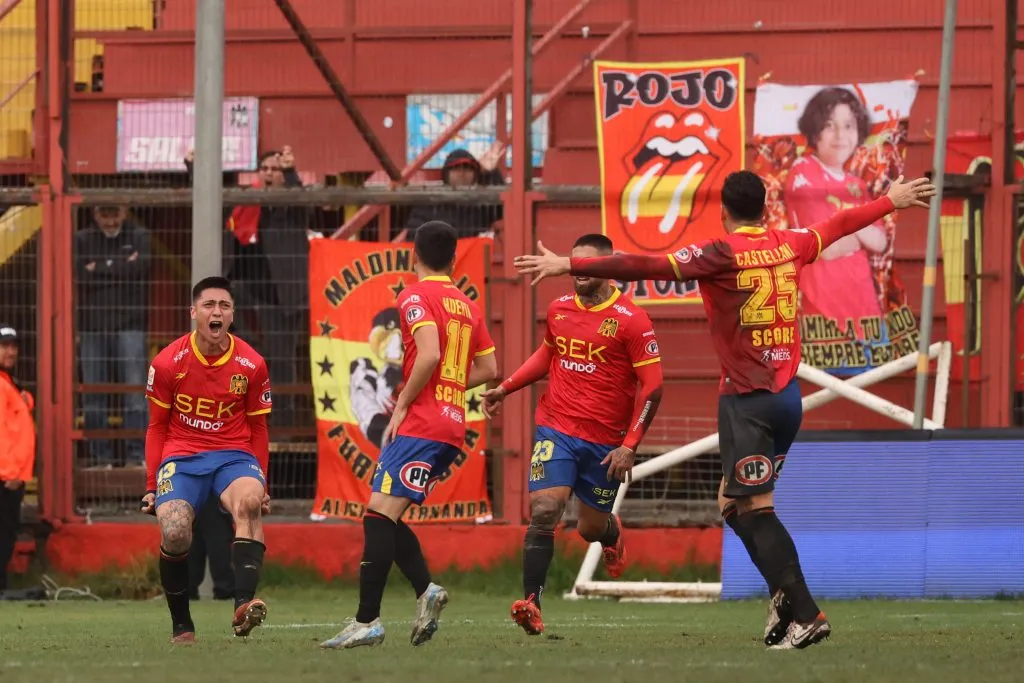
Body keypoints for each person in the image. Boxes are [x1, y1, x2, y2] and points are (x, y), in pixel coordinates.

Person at [513, 172, 936, 650]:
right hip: (786, 399)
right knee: (730, 504)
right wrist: (890, 200)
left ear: (724, 212)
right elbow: (839, 223)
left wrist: (568, 263)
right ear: (765, 208)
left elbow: (645, 263)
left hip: (747, 401)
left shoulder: (719, 253)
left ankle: (806, 611)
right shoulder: (790, 242)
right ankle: (782, 596)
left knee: (756, 509)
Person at [320, 221, 499, 650]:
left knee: (378, 516)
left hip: (422, 423)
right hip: (452, 425)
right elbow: (490, 370)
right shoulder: (467, 304)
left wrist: (402, 403)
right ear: (454, 260)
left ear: (412, 255)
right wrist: (451, 389)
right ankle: (426, 591)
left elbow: (432, 352)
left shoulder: (414, 296)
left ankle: (368, 622)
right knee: (386, 513)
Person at [480, 233, 663, 636]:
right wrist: (506, 387)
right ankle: (532, 604)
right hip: (557, 427)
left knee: (589, 529)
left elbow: (652, 387)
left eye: (587, 265)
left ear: (608, 267)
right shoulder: (559, 308)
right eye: (573, 263)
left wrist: (630, 445)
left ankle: (611, 534)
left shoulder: (633, 319)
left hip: (605, 443)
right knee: (545, 509)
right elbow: (549, 353)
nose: (578, 272)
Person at [140, 276, 274, 644]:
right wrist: (152, 487)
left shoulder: (252, 364)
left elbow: (259, 429)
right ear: (194, 313)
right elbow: (156, 427)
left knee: (248, 503)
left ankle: (244, 606)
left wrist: (263, 482)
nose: (217, 312)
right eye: (209, 305)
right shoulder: (168, 363)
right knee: (176, 530)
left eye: (224, 306)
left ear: (232, 315)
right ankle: (181, 624)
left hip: (234, 455)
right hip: (181, 456)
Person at [75, 205, 152, 467]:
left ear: (125, 212)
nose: (109, 221)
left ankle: (136, 456)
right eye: (104, 214)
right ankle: (100, 458)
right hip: (93, 326)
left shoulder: (140, 235)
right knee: (94, 393)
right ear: (95, 213)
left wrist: (98, 269)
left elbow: (141, 269)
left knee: (134, 392)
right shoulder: (82, 238)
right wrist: (121, 267)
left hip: (130, 323)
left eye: (114, 214)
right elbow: (79, 276)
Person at [0, 325, 35, 593]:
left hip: (13, 475)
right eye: (4, 346)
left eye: (13, 346)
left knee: (7, 534)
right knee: (3, 534)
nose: (10, 351)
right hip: (6, 477)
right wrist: (9, 472)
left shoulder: (8, 383)